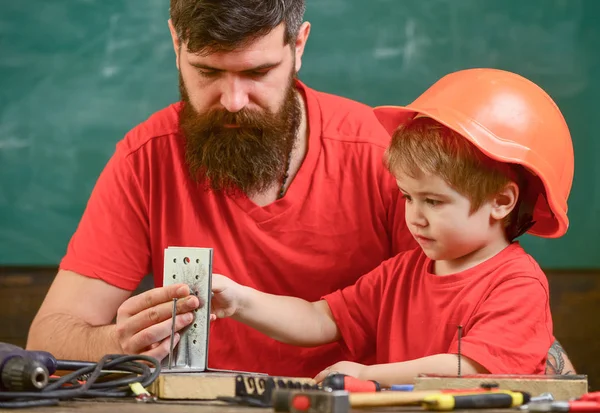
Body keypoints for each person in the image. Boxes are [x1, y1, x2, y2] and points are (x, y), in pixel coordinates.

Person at [26, 0, 417, 378]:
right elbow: (46, 340)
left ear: (298, 46)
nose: (232, 102)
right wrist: (120, 341)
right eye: (208, 73)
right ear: (176, 44)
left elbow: (453, 325)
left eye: (258, 73)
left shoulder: (384, 155)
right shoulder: (145, 159)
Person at [206, 68, 575, 385]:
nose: (414, 215)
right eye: (407, 197)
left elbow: (467, 369)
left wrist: (370, 375)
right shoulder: (402, 273)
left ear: (501, 202)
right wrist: (241, 300)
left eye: (433, 201)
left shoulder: (516, 284)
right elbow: (319, 319)